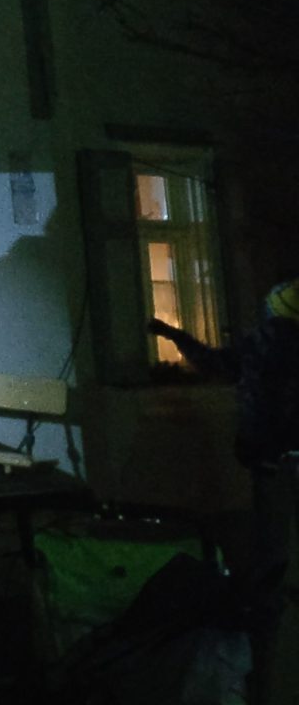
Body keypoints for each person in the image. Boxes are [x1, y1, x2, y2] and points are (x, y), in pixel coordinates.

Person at [156, 280, 299, 696]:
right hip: (283, 453)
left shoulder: (262, 342)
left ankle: (268, 629)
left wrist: (173, 336)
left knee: (272, 542)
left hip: (268, 457)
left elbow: (216, 364)